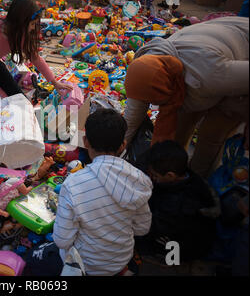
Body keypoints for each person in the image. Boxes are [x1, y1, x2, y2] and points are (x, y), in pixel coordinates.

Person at [123, 16, 249, 179]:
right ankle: (177, 173)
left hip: (239, 52)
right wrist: (113, 152)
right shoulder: (150, 62)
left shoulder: (210, 75)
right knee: (178, 131)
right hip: (211, 43)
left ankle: (198, 181)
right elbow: (133, 117)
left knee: (211, 136)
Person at [52, 108, 153, 276]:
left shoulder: (73, 184)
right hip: (121, 262)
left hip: (86, 266)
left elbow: (62, 240)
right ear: (122, 145)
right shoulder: (139, 179)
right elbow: (142, 228)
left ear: (85, 141)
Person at [134, 141, 217, 263]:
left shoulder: (183, 203)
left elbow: (151, 226)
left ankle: (169, 260)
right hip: (175, 225)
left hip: (184, 245)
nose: (151, 177)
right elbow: (145, 161)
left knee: (141, 238)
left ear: (170, 175)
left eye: (154, 175)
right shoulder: (181, 173)